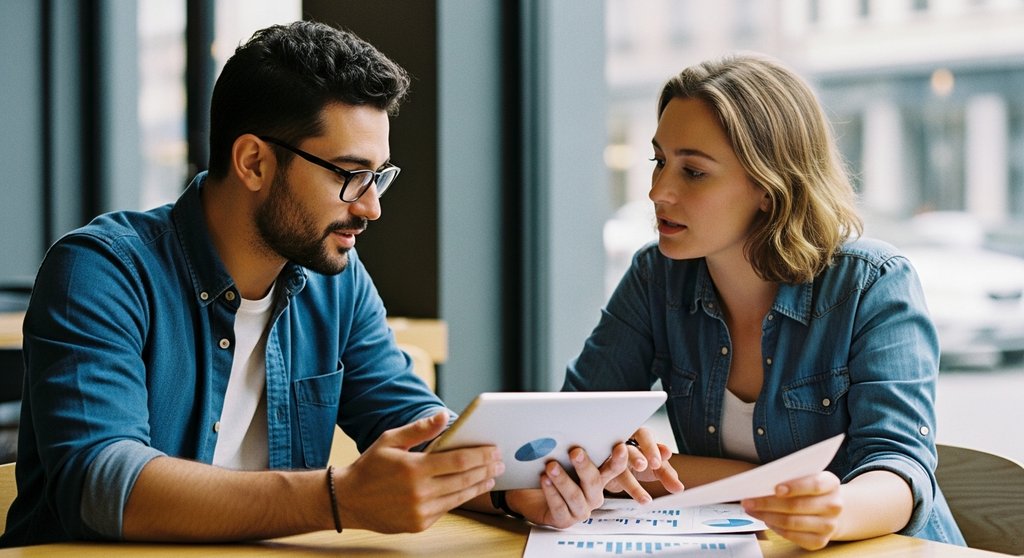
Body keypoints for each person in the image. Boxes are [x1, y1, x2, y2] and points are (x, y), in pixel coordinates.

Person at [1, 21, 635, 547]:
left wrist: (512, 486)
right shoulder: (104, 270)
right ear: (253, 161)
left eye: (378, 177)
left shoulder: (335, 282)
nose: (370, 207)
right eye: (349, 175)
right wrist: (336, 497)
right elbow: (101, 483)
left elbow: (412, 425)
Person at [563, 53, 966, 551]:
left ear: (769, 189)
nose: (657, 191)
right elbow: (572, 438)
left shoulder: (871, 284)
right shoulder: (657, 277)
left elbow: (899, 466)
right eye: (660, 161)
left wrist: (834, 511)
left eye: (693, 171)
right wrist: (756, 481)